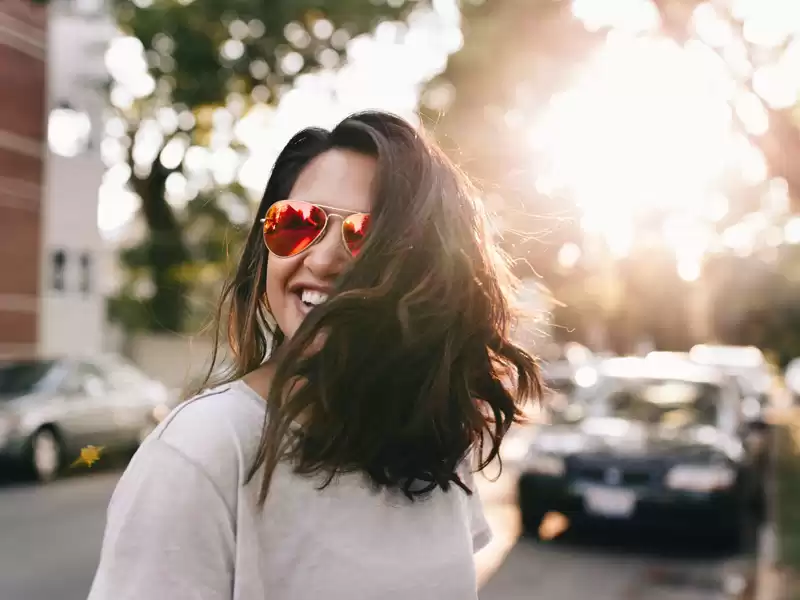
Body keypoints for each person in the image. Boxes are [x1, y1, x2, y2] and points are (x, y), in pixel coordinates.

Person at [87, 111, 541, 600]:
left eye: (365, 235)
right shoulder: (202, 452)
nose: (322, 260)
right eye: (296, 224)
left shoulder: (436, 443)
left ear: (429, 271)